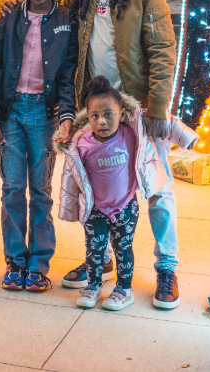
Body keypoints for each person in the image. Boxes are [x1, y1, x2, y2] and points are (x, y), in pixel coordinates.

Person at [53, 0, 199, 310]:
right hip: (96, 116)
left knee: (157, 188)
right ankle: (100, 262)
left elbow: (162, 50)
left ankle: (167, 268)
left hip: (138, 111)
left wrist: (158, 105)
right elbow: (65, 56)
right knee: (99, 192)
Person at [0, 0, 78, 293]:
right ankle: (15, 261)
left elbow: (68, 75)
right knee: (11, 189)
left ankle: (38, 263)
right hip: (11, 114)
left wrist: (67, 116)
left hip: (44, 115)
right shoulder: (8, 20)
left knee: (41, 190)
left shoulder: (67, 19)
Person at [56, 76, 164, 311]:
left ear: (121, 113)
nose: (102, 121)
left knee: (123, 248)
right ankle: (93, 286)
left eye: (108, 114)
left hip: (125, 206)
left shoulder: (129, 133)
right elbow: (73, 174)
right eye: (95, 116)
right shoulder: (82, 144)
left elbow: (164, 122)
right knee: (94, 250)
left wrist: (187, 137)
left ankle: (125, 289)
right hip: (95, 209)